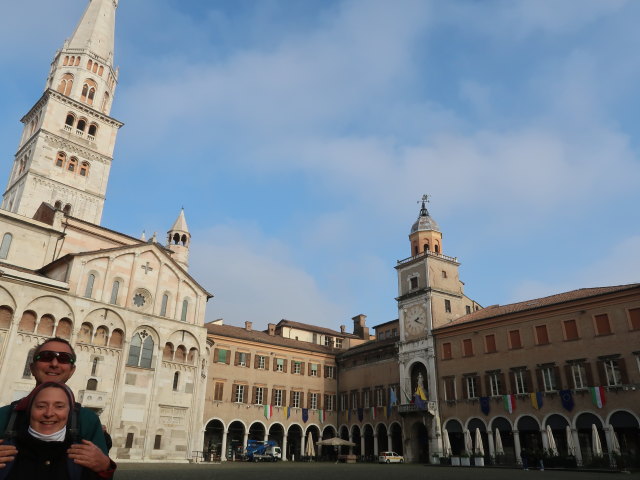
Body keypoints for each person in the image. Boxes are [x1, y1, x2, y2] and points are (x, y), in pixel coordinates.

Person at [0, 338, 113, 476]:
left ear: (72, 371)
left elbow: (101, 473)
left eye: (64, 359)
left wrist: (105, 465)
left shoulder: (88, 420)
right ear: (32, 368)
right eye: (46, 357)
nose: (54, 363)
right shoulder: (4, 416)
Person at [0, 382, 100, 479]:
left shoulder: (81, 458)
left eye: (59, 406)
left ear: (69, 412)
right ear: (30, 410)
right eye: (41, 406)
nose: (49, 414)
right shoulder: (5, 452)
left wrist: (106, 466)